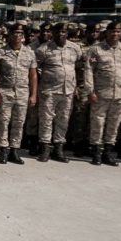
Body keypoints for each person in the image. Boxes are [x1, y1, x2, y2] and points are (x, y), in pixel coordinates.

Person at [83, 20, 121, 166]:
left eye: (118, 31)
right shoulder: (96, 50)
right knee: (98, 123)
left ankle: (108, 152)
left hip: (120, 93)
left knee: (114, 124)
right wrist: (90, 90)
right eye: (112, 31)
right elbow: (89, 70)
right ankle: (96, 152)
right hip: (101, 93)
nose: (115, 34)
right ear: (107, 32)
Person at [0, 22, 38, 164]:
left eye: (20, 34)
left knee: (19, 122)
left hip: (23, 91)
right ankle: (4, 150)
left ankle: (14, 150)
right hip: (5, 91)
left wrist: (33, 94)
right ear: (9, 35)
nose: (18, 36)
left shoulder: (29, 53)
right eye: (15, 33)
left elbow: (33, 75)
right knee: (3, 121)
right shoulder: (0, 52)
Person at [33, 22, 81, 163]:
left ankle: (59, 149)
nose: (61, 34)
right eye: (58, 31)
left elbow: (77, 67)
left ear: (67, 33)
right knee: (46, 120)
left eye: (64, 31)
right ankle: (45, 148)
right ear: (53, 33)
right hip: (49, 90)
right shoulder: (43, 49)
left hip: (68, 90)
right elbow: (35, 68)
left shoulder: (75, 48)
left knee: (63, 119)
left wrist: (75, 85)